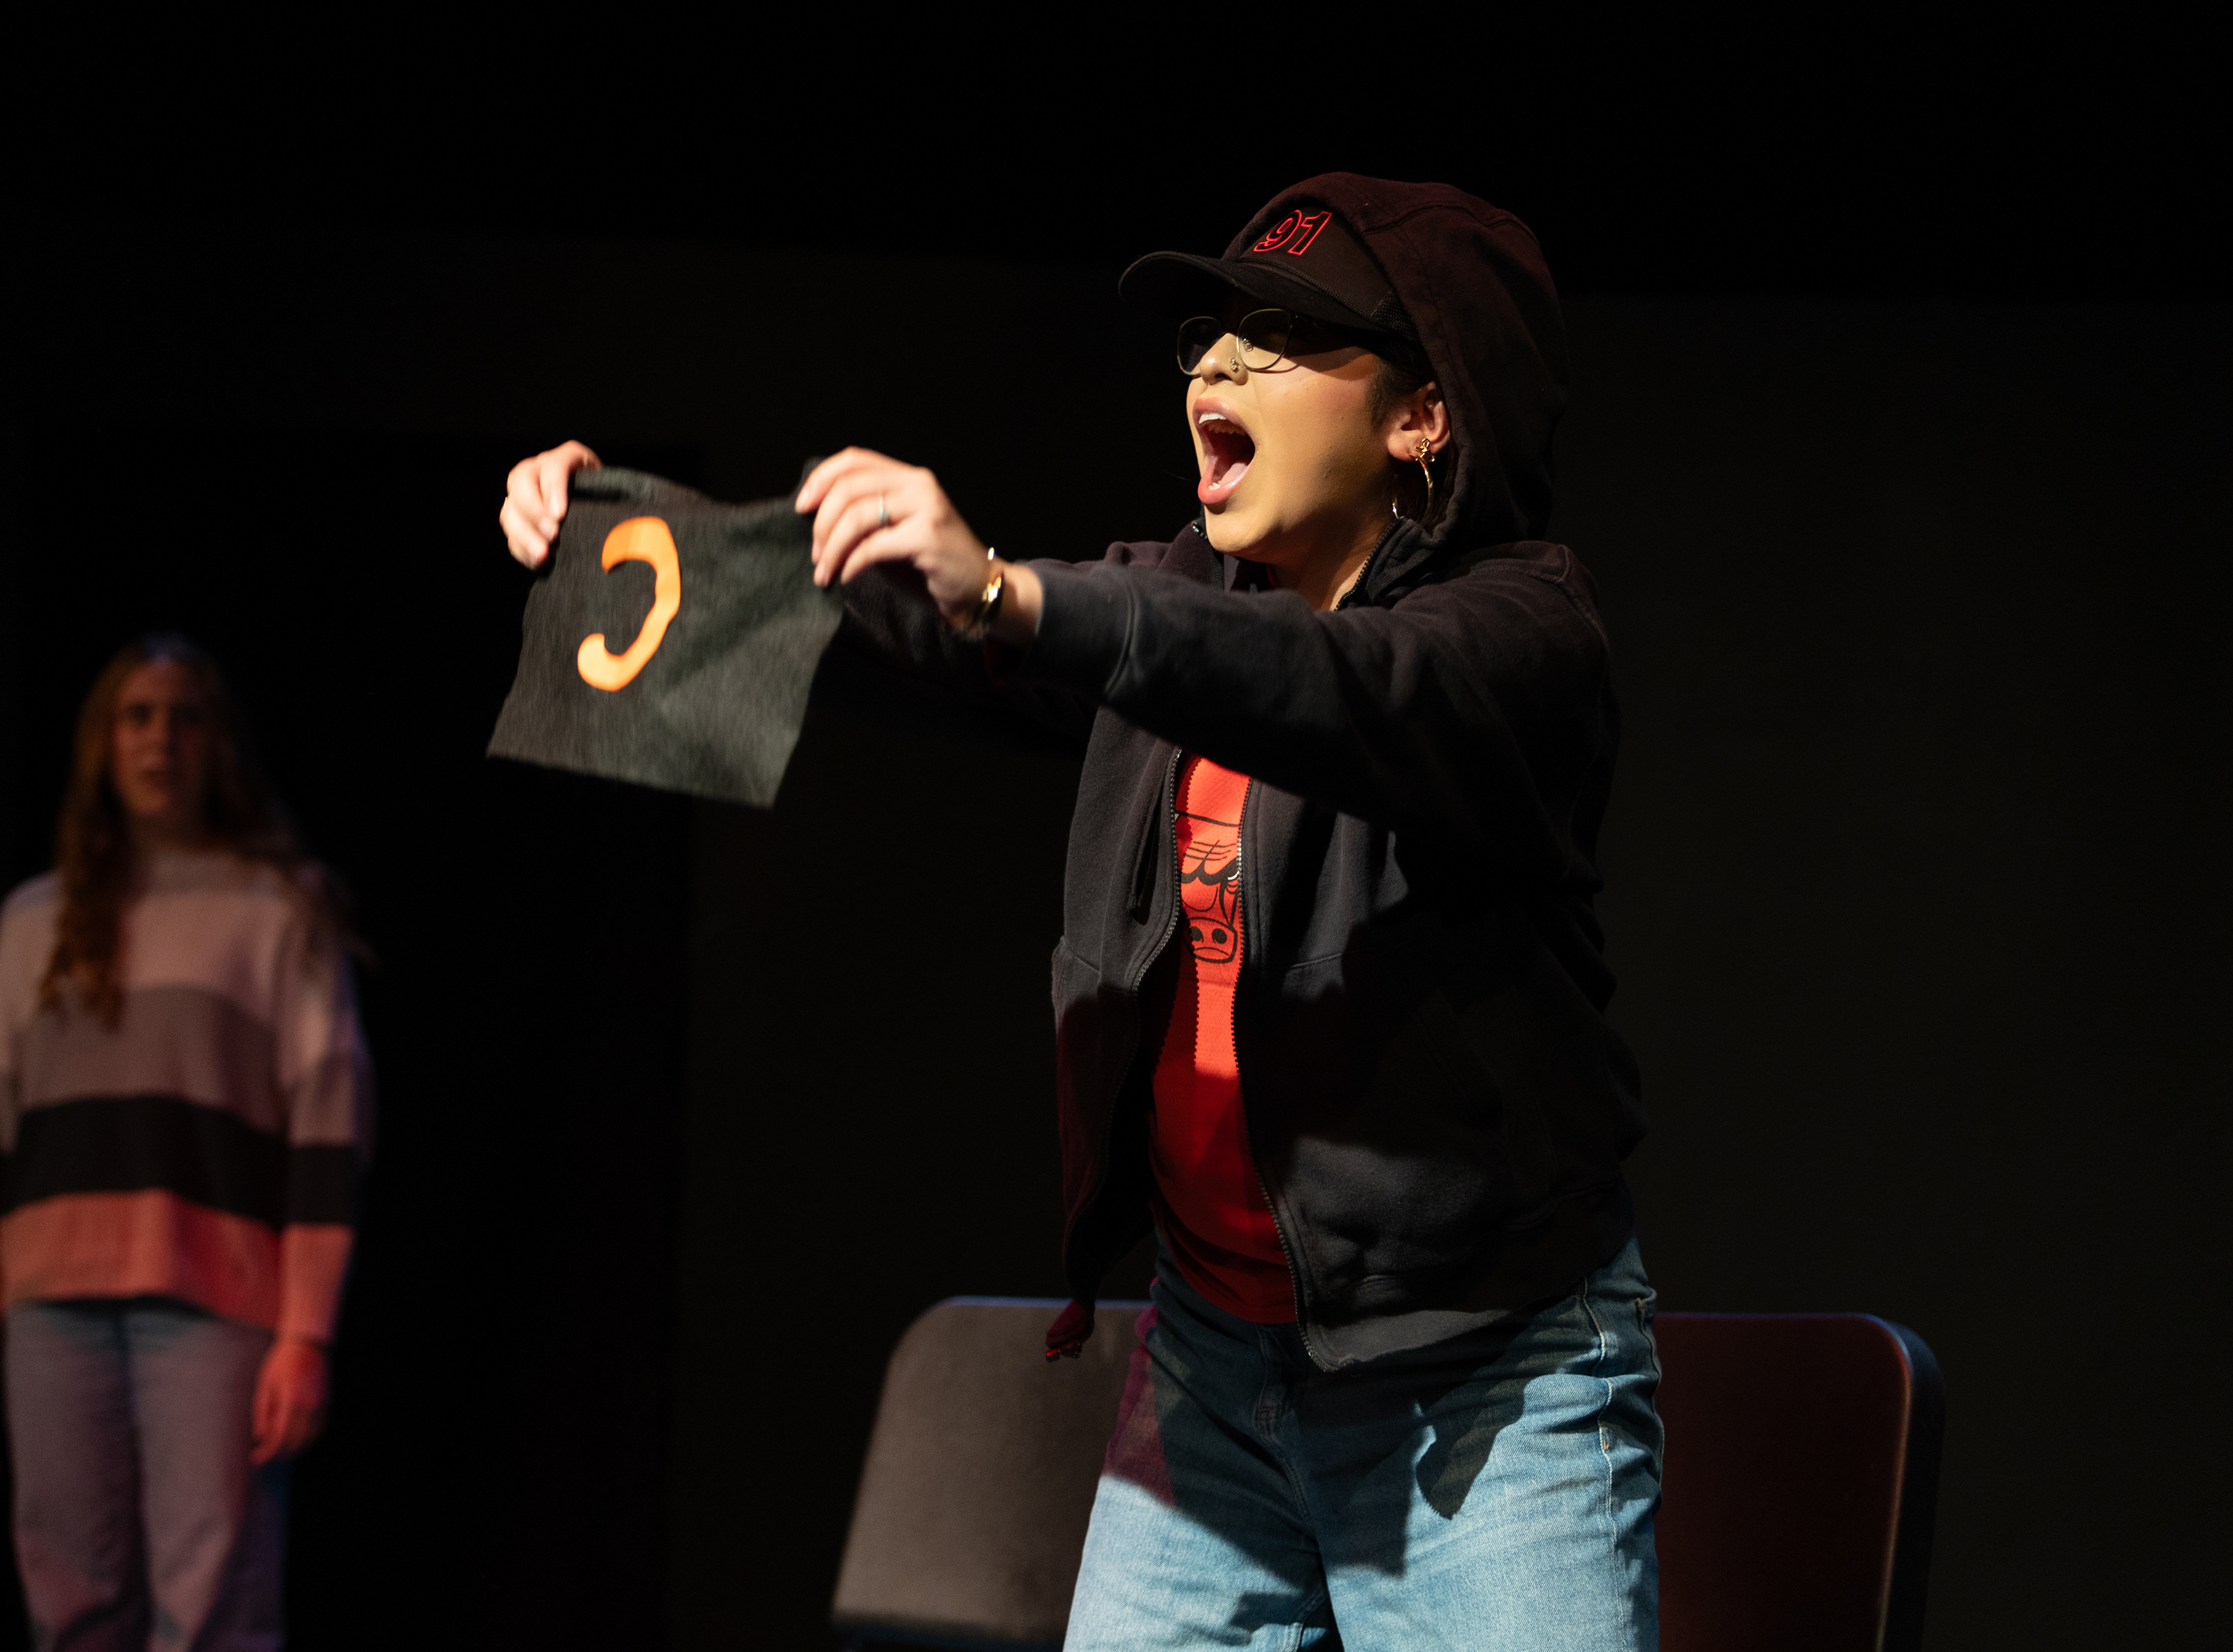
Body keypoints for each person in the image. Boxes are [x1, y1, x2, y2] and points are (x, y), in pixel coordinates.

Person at [502, 174, 1657, 1649]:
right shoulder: (1182, 595)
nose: (1218, 362)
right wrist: (619, 547)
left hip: (1482, 1394)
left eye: (1281, 338)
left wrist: (1013, 597)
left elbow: (1329, 685)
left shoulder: (1526, 637)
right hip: (1215, 1373)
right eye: (1212, 334)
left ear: (1423, 415)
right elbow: (942, 635)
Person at [0, 634, 372, 1652]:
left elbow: (331, 1127)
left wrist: (306, 1333)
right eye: (136, 716)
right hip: (51, 1305)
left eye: (186, 717)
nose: (160, 740)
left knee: (212, 1605)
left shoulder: (279, 909)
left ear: (220, 745)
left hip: (214, 1302)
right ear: (102, 742)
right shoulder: (34, 921)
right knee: (72, 1606)